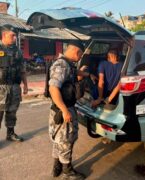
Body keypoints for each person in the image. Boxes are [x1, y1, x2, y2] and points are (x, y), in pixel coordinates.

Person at [49, 42, 93, 179]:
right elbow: (53, 88)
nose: (80, 58)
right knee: (66, 140)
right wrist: (64, 110)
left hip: (61, 107)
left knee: (59, 139)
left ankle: (57, 166)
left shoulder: (67, 64)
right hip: (63, 108)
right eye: (81, 54)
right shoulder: (62, 65)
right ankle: (67, 171)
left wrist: (86, 74)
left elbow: (74, 73)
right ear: (76, 51)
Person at [0, 24, 28, 142]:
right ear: (4, 35)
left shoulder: (18, 52)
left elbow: (22, 69)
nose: (15, 38)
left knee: (12, 111)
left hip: (15, 86)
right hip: (1, 87)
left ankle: (10, 134)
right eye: (12, 36)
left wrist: (25, 85)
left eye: (15, 36)